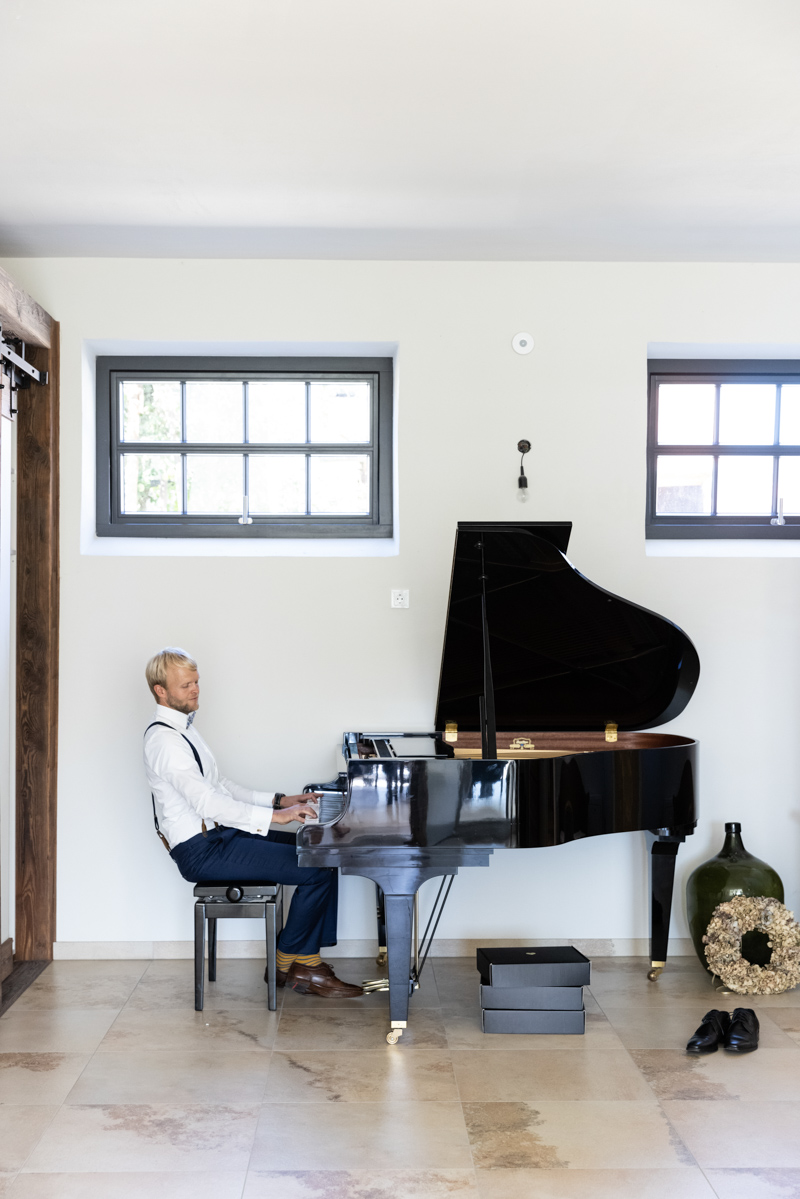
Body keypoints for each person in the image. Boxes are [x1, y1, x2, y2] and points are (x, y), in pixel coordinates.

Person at [143, 646, 362, 998]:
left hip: (219, 837)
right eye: (186, 685)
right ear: (161, 691)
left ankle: (303, 960)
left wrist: (280, 800)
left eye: (196, 682)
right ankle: (293, 962)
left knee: (321, 852)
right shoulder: (165, 741)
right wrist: (277, 817)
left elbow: (221, 786)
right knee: (316, 870)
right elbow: (207, 802)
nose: (196, 690)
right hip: (201, 851)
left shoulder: (184, 729)